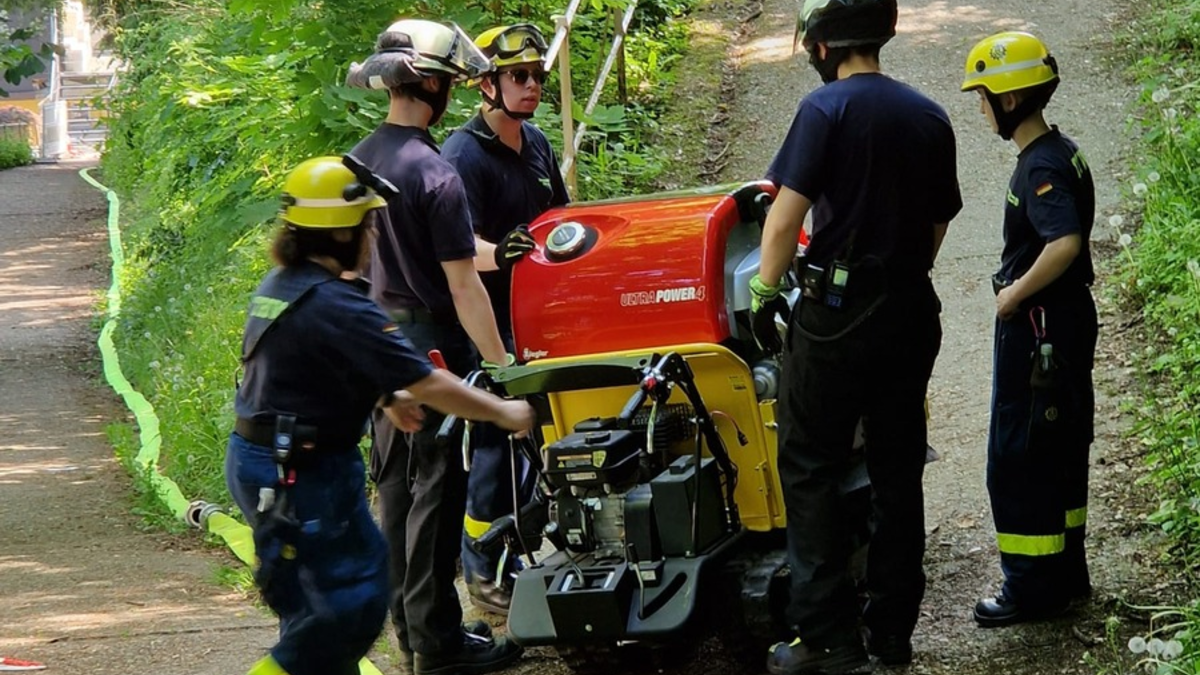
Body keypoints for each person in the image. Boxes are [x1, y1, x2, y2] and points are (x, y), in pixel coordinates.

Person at [225, 156, 536, 675]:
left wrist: (382, 395)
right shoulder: (335, 303)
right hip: (297, 471)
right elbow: (429, 382)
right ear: (343, 233)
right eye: (368, 223)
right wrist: (504, 411)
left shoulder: (284, 286)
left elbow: (302, 366)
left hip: (281, 458)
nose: (373, 233)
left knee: (343, 591)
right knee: (345, 610)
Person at [748, 0, 961, 672]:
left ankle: (827, 640)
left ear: (821, 45)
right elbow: (936, 223)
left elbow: (783, 219)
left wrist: (763, 291)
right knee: (899, 467)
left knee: (810, 465)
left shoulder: (825, 110)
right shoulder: (927, 113)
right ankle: (891, 634)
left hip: (836, 315)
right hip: (907, 307)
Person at [344, 19, 524, 675]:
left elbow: (346, 272)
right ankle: (438, 644)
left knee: (395, 493)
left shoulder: (358, 161)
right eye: (448, 80)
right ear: (431, 85)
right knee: (437, 498)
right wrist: (501, 365)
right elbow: (463, 283)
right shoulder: (434, 172)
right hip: (432, 346)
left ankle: (412, 630)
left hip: (373, 338)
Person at [961, 31, 1097, 627]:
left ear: (1010, 99)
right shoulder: (1062, 150)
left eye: (983, 95)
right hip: (1066, 323)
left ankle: (1030, 589)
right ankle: (1066, 576)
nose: (980, 106)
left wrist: (1013, 294)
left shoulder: (1038, 167)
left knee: (1019, 457)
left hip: (1040, 329)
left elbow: (1064, 241)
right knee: (1061, 447)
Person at [441, 22, 570, 615]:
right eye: (518, 77)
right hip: (489, 323)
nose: (532, 86)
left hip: (541, 319)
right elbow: (456, 247)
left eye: (538, 77)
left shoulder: (537, 142)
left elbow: (563, 218)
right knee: (494, 440)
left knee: (542, 436)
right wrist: (502, 252)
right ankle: (481, 566)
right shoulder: (463, 156)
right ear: (486, 86)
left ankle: (522, 550)